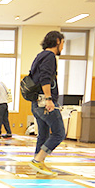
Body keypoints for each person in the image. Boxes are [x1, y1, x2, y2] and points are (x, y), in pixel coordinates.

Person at [27, 31, 66, 177]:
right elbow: (45, 78)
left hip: (36, 102)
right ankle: (38, 160)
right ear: (57, 41)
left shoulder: (40, 55)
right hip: (45, 101)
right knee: (59, 133)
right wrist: (49, 99)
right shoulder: (50, 56)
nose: (63, 46)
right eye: (62, 43)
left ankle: (39, 163)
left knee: (43, 134)